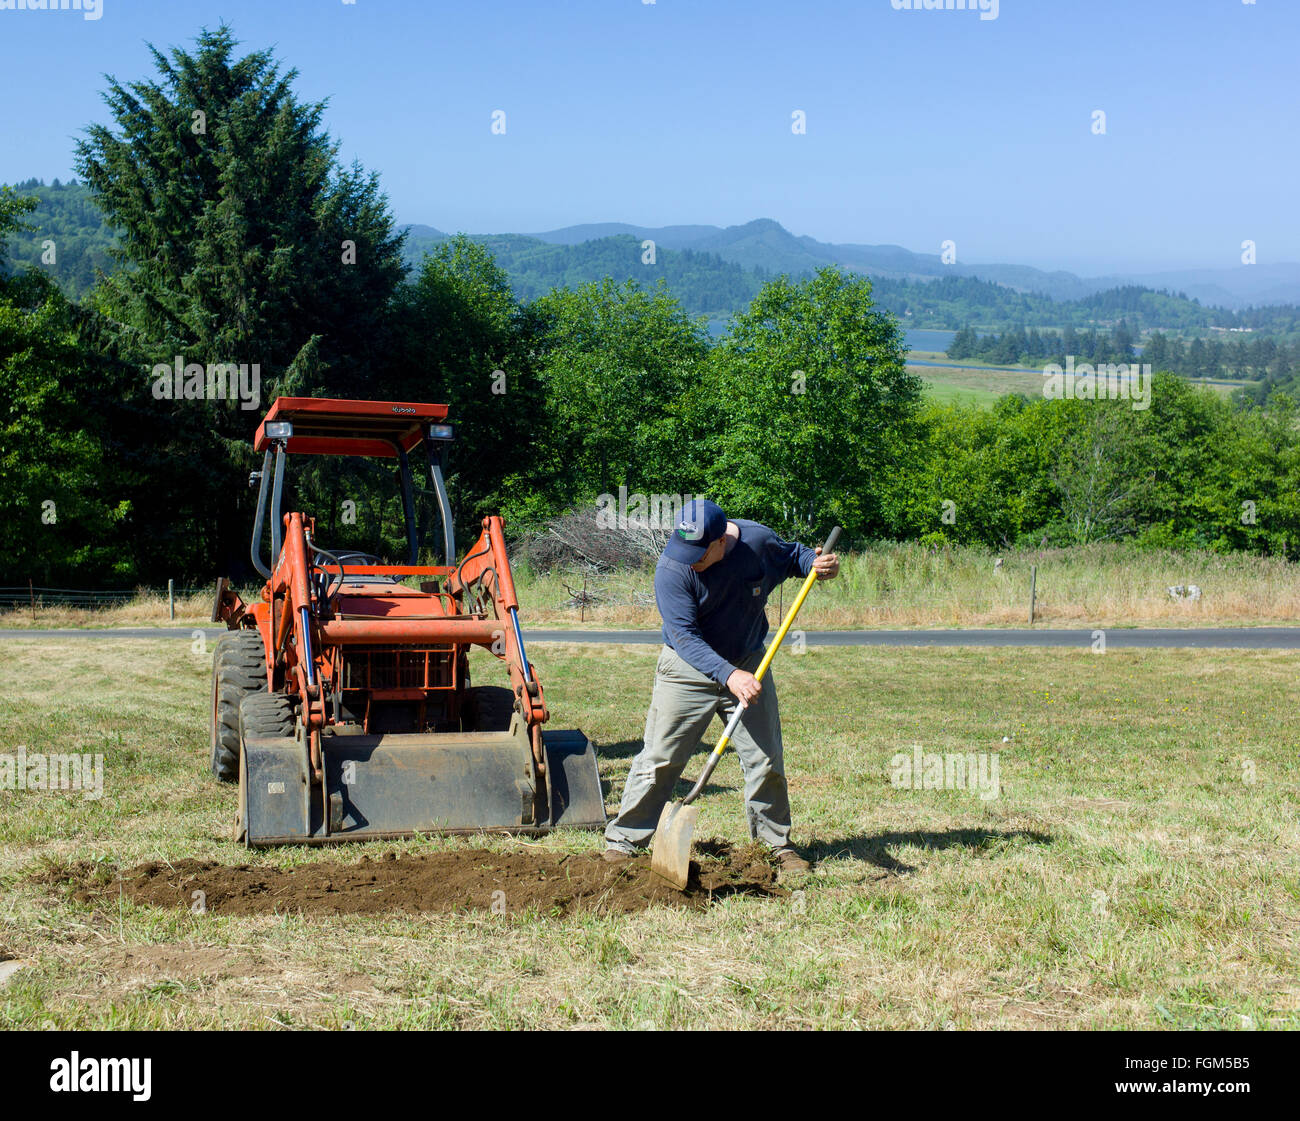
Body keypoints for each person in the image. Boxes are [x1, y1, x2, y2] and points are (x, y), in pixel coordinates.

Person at [603, 499, 839, 872]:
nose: (690, 559)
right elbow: (684, 636)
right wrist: (728, 675)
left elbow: (795, 557)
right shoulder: (672, 570)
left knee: (765, 758)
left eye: (699, 552)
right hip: (687, 669)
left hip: (747, 663)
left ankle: (774, 845)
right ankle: (623, 840)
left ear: (721, 542)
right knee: (660, 758)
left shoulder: (757, 543)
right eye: (684, 550)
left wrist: (817, 565)